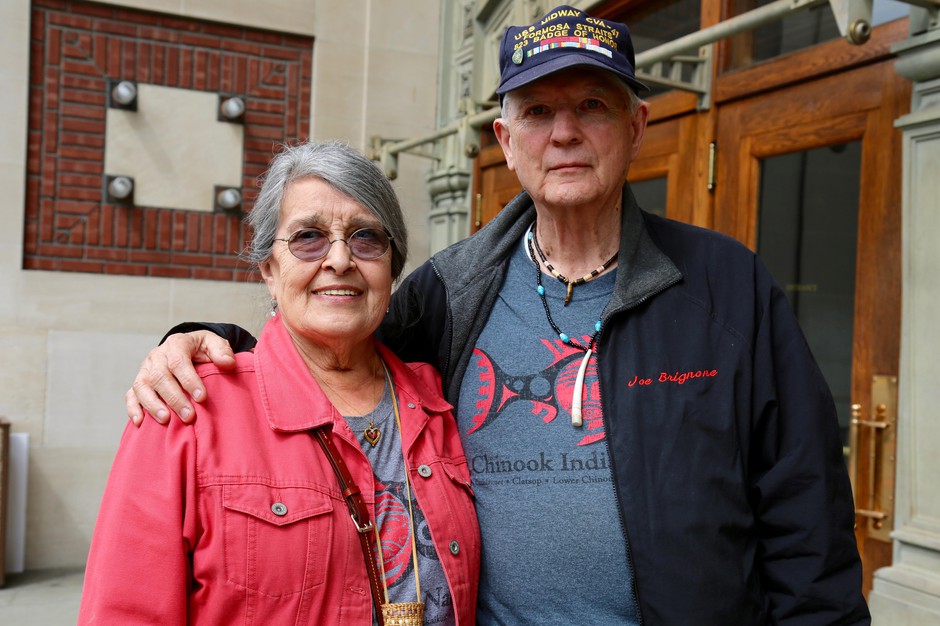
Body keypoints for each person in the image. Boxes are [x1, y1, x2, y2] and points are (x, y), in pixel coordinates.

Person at [125, 5, 870, 625]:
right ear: (507, 142)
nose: (565, 132)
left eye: (592, 107)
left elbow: (806, 515)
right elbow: (330, 352)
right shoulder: (452, 287)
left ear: (636, 125)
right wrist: (207, 345)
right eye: (539, 111)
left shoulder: (724, 285)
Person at [80, 141, 480, 625]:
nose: (339, 260)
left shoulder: (439, 402)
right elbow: (125, 611)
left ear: (392, 269)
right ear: (269, 269)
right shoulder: (187, 409)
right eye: (309, 236)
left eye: (366, 238)